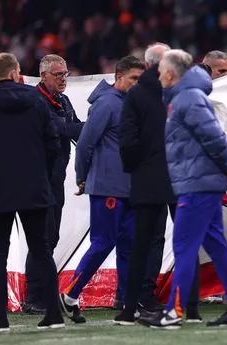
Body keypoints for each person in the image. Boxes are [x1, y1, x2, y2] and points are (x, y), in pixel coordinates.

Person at [141, 50, 227, 330]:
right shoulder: (184, 97)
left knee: (184, 246)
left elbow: (213, 134)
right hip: (201, 182)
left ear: (171, 73)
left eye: (161, 70)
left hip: (197, 184)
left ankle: (173, 312)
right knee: (216, 244)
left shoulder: (187, 98)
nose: (158, 75)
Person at [0, 52, 64, 332]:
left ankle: (0, 318)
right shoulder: (36, 100)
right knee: (42, 251)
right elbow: (53, 142)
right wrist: (44, 175)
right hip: (34, 186)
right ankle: (53, 313)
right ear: (16, 72)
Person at [115, 43, 203, 325]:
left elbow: (127, 141)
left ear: (147, 63)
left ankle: (130, 309)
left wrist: (136, 170)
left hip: (148, 177)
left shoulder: (137, 94)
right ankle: (191, 309)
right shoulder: (183, 91)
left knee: (141, 245)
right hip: (183, 177)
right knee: (187, 243)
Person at [59, 56, 145, 323]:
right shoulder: (107, 104)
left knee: (129, 246)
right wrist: (81, 177)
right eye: (134, 79)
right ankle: (71, 293)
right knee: (103, 242)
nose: (138, 84)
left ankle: (127, 304)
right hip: (108, 187)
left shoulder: (128, 104)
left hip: (130, 188)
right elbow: (85, 144)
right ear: (119, 76)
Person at [24, 54, 84, 315]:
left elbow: (74, 127)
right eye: (58, 74)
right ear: (43, 75)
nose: (63, 79)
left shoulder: (63, 100)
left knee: (51, 236)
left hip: (55, 178)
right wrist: (86, 128)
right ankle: (33, 296)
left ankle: (38, 294)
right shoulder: (35, 101)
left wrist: (86, 128)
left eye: (65, 74)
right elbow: (61, 128)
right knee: (41, 239)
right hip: (38, 178)